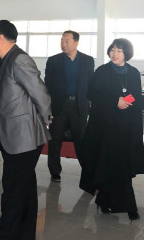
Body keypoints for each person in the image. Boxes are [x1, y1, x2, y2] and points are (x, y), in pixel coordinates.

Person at [0, 20, 51, 240]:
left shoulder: (18, 59)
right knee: (25, 189)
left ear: (0, 38)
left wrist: (46, 118)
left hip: (24, 138)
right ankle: (25, 234)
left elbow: (39, 91)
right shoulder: (6, 59)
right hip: (15, 136)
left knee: (13, 191)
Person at [79, 38, 144, 221]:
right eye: (113, 50)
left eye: (119, 51)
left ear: (126, 54)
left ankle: (118, 203)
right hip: (105, 127)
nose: (114, 54)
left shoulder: (133, 72)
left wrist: (125, 102)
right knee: (106, 164)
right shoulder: (102, 71)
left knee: (122, 165)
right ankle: (110, 201)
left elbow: (136, 94)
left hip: (126, 127)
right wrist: (115, 101)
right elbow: (91, 93)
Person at [45, 30, 94, 182]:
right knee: (55, 141)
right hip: (59, 106)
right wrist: (47, 108)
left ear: (76, 42)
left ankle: (88, 171)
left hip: (79, 106)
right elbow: (47, 86)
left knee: (81, 141)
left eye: (67, 41)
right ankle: (55, 172)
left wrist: (90, 105)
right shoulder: (53, 61)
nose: (63, 44)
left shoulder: (87, 60)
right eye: (62, 41)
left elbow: (90, 84)